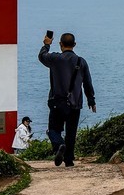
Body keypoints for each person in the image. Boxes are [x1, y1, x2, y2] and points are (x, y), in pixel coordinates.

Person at [38, 32, 96, 167]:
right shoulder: (81, 62)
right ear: (74, 45)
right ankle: (69, 160)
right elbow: (87, 82)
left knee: (53, 129)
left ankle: (59, 145)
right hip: (75, 103)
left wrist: (46, 44)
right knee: (71, 132)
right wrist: (91, 100)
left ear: (60, 44)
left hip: (57, 102)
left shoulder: (55, 59)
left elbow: (41, 56)